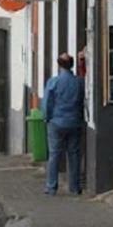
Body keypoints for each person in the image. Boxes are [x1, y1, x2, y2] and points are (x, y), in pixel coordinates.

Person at [42, 52, 84, 196]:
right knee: (74, 154)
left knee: (54, 154)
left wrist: (47, 118)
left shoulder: (53, 82)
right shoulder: (79, 82)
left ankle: (51, 187)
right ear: (71, 65)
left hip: (56, 122)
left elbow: (47, 102)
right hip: (74, 121)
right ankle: (74, 186)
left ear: (59, 65)